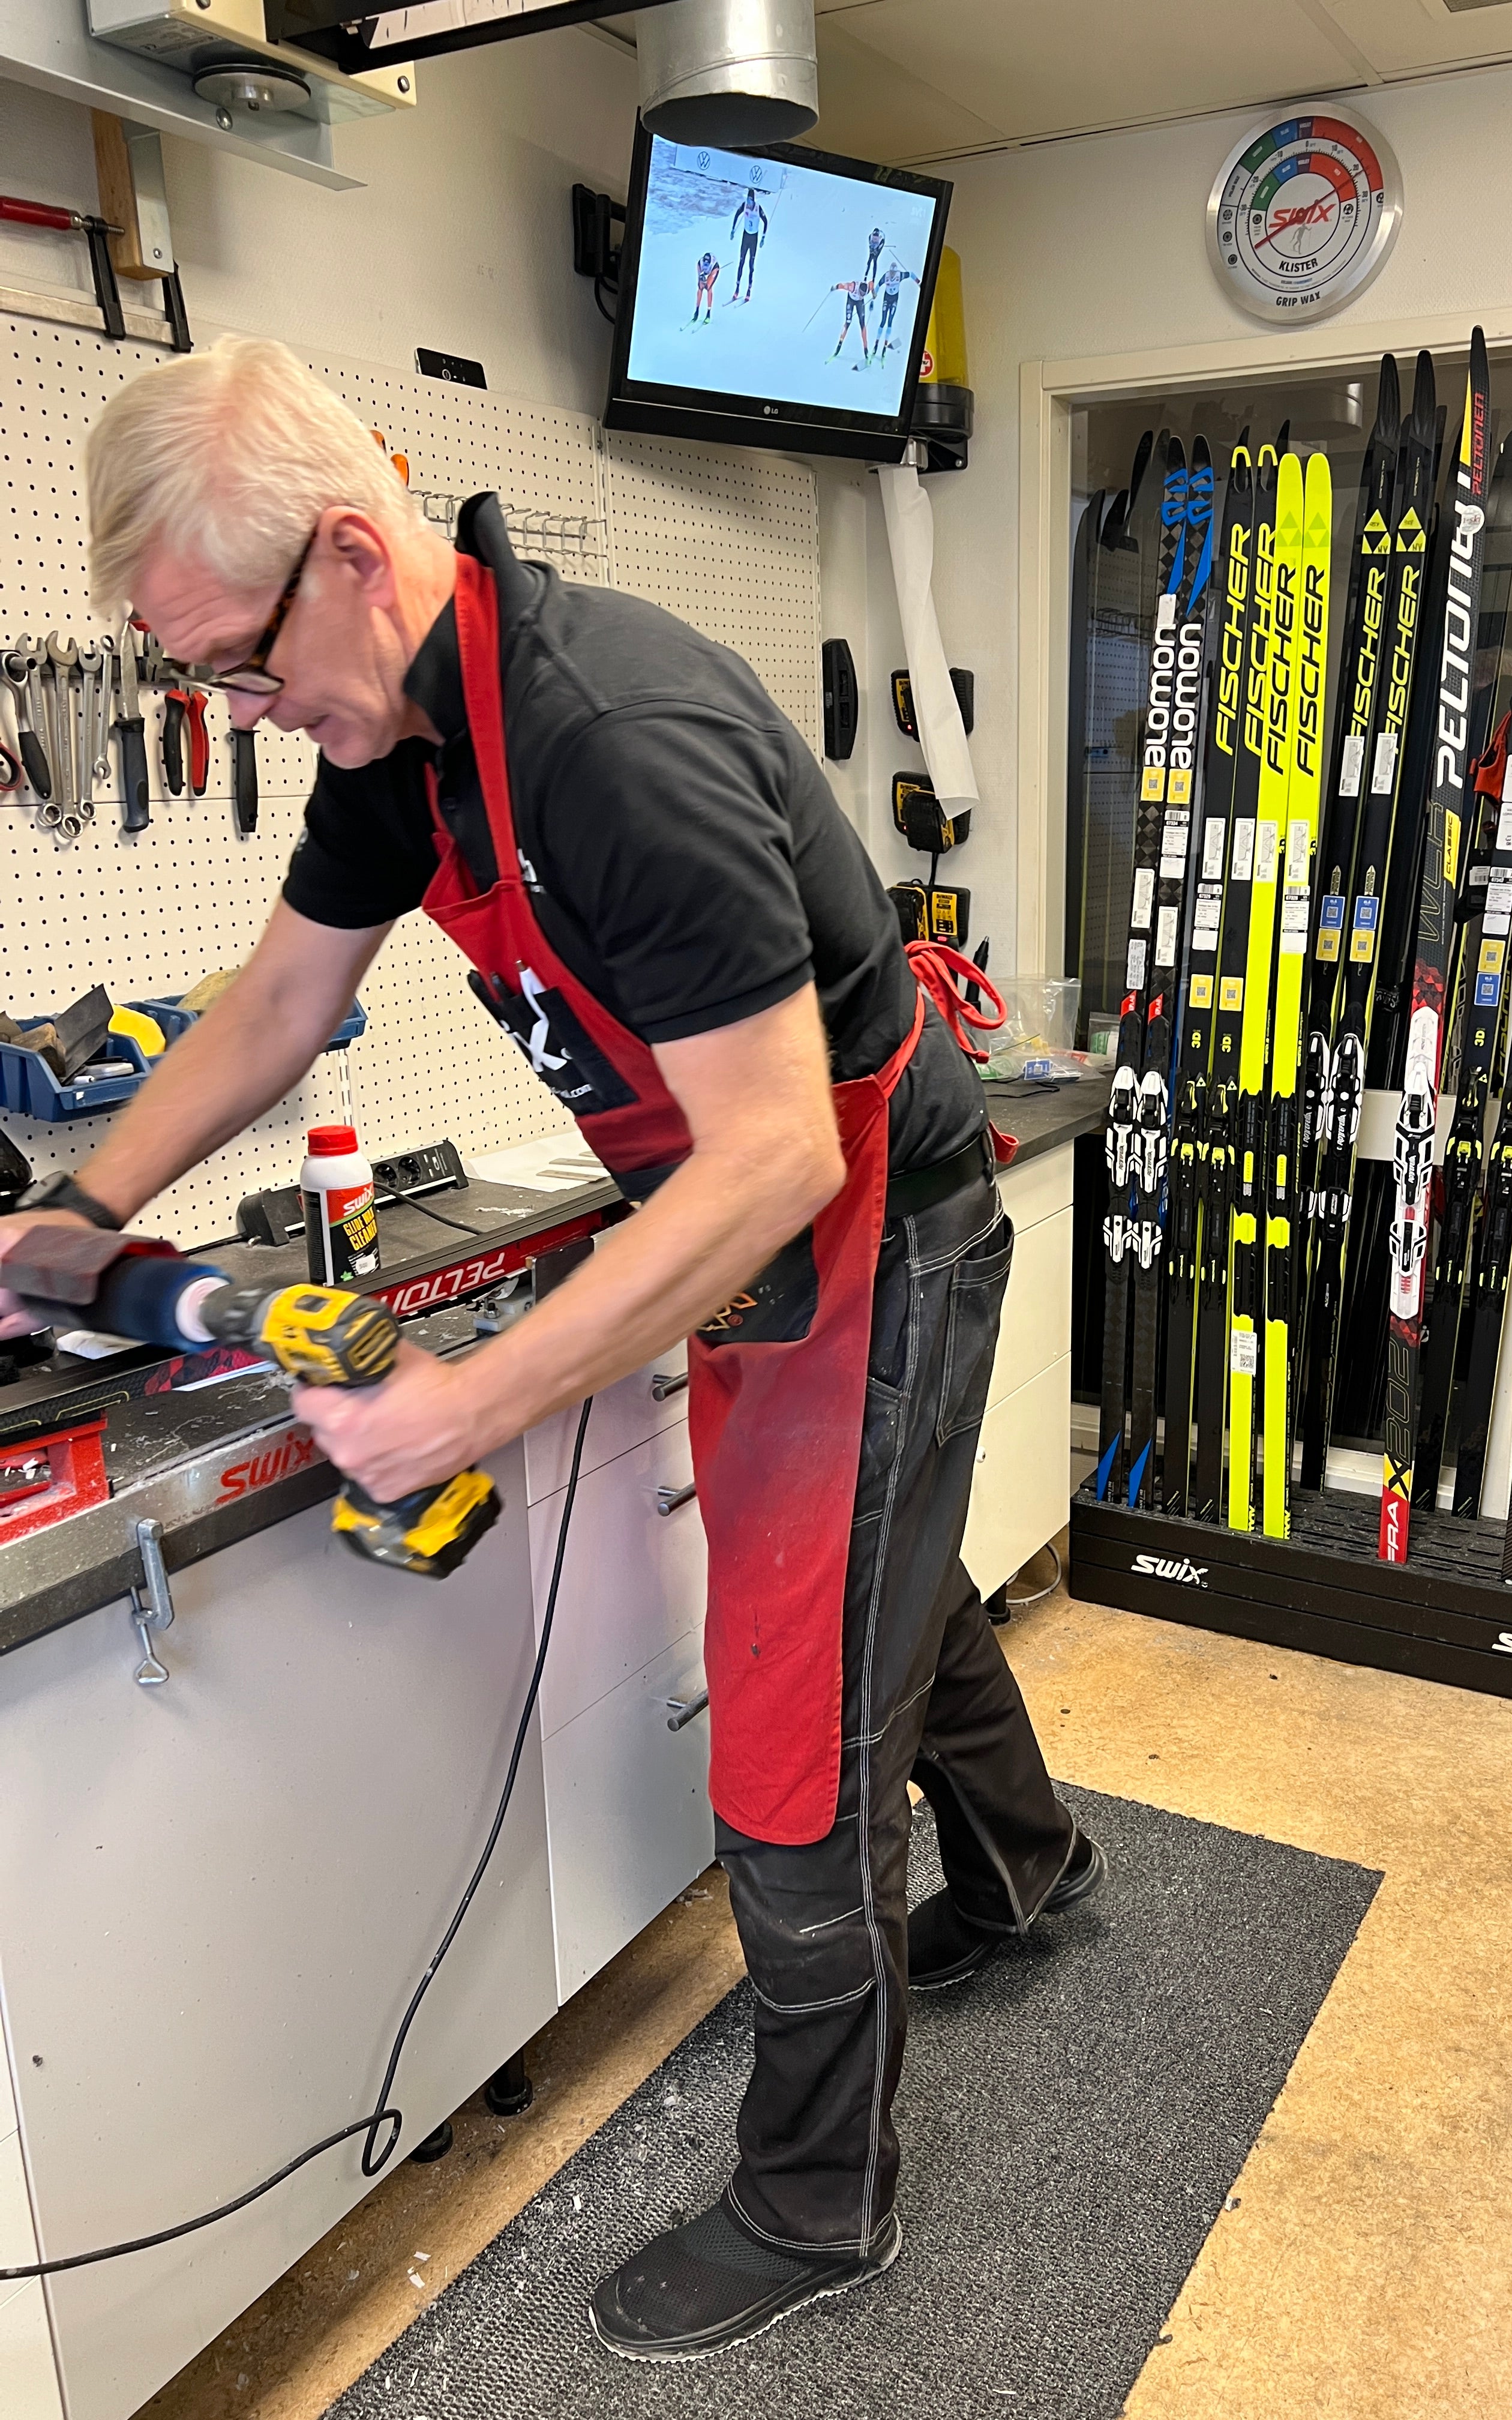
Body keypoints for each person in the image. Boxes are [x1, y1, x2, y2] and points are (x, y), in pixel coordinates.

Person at [0, 338, 1101, 2364]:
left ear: (351, 556)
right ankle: (1029, 1869)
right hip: (743, 1220)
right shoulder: (402, 740)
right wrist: (77, 1221)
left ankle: (817, 2198)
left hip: (867, 1222)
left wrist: (464, 1402)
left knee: (792, 1732)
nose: (242, 715)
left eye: (238, 667)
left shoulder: (608, 742)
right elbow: (276, 1008)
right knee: (876, 1590)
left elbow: (776, 1154)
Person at [728, 186, 768, 302]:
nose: (749, 203)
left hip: (754, 238)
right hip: (746, 237)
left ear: (754, 200)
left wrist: (763, 237)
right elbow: (737, 215)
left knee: (751, 264)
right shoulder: (745, 205)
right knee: (741, 262)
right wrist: (733, 230)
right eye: (748, 200)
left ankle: (749, 290)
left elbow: (765, 222)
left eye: (750, 201)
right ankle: (737, 289)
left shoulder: (758, 208)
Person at [874, 259, 919, 355]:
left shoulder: (900, 275)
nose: (892, 275)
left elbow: (911, 274)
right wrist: (875, 294)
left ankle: (885, 346)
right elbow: (878, 286)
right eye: (891, 272)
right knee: (883, 321)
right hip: (887, 298)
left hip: (894, 299)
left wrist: (918, 281)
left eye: (894, 273)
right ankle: (876, 344)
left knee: (890, 322)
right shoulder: (886, 276)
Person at [829, 277, 871, 365]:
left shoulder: (867, 290)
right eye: (861, 293)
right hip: (851, 300)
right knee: (848, 322)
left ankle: (866, 349)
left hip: (860, 303)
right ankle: (840, 344)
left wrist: (874, 293)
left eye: (863, 294)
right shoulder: (852, 287)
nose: (862, 295)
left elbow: (872, 285)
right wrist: (835, 288)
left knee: (862, 324)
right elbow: (842, 286)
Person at [691, 251, 720, 323]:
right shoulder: (700, 264)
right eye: (705, 264)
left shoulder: (713, 265)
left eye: (707, 264)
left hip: (713, 271)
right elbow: (700, 275)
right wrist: (702, 277)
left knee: (708, 287)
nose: (706, 265)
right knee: (700, 288)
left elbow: (712, 274)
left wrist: (707, 278)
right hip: (704, 272)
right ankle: (697, 311)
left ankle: (708, 313)